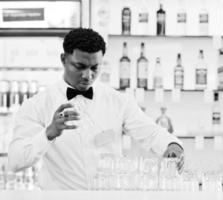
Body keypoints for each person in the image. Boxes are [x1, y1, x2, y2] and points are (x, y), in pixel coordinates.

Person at [8, 28, 184, 190]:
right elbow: (15, 161)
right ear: (63, 59)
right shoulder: (37, 105)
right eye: (80, 66)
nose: (87, 76)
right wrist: (49, 133)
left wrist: (172, 145)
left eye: (94, 68)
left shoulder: (118, 101)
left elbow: (151, 133)